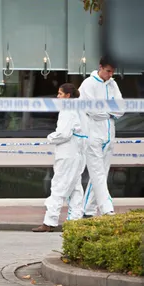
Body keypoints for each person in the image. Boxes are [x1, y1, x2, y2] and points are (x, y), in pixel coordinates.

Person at [32, 83, 87, 232]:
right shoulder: (81, 108)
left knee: (58, 186)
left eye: (60, 94)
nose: (58, 97)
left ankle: (49, 222)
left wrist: (50, 137)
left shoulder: (67, 110)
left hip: (67, 153)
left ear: (68, 96)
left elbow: (63, 134)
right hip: (79, 153)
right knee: (75, 188)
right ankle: (76, 221)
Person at [79, 56, 124, 217]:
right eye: (108, 71)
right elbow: (92, 110)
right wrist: (109, 111)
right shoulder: (88, 84)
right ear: (100, 67)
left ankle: (88, 210)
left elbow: (121, 109)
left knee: (101, 174)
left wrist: (105, 111)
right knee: (98, 173)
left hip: (109, 134)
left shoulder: (113, 84)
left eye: (113, 72)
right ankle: (107, 208)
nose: (110, 74)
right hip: (92, 135)